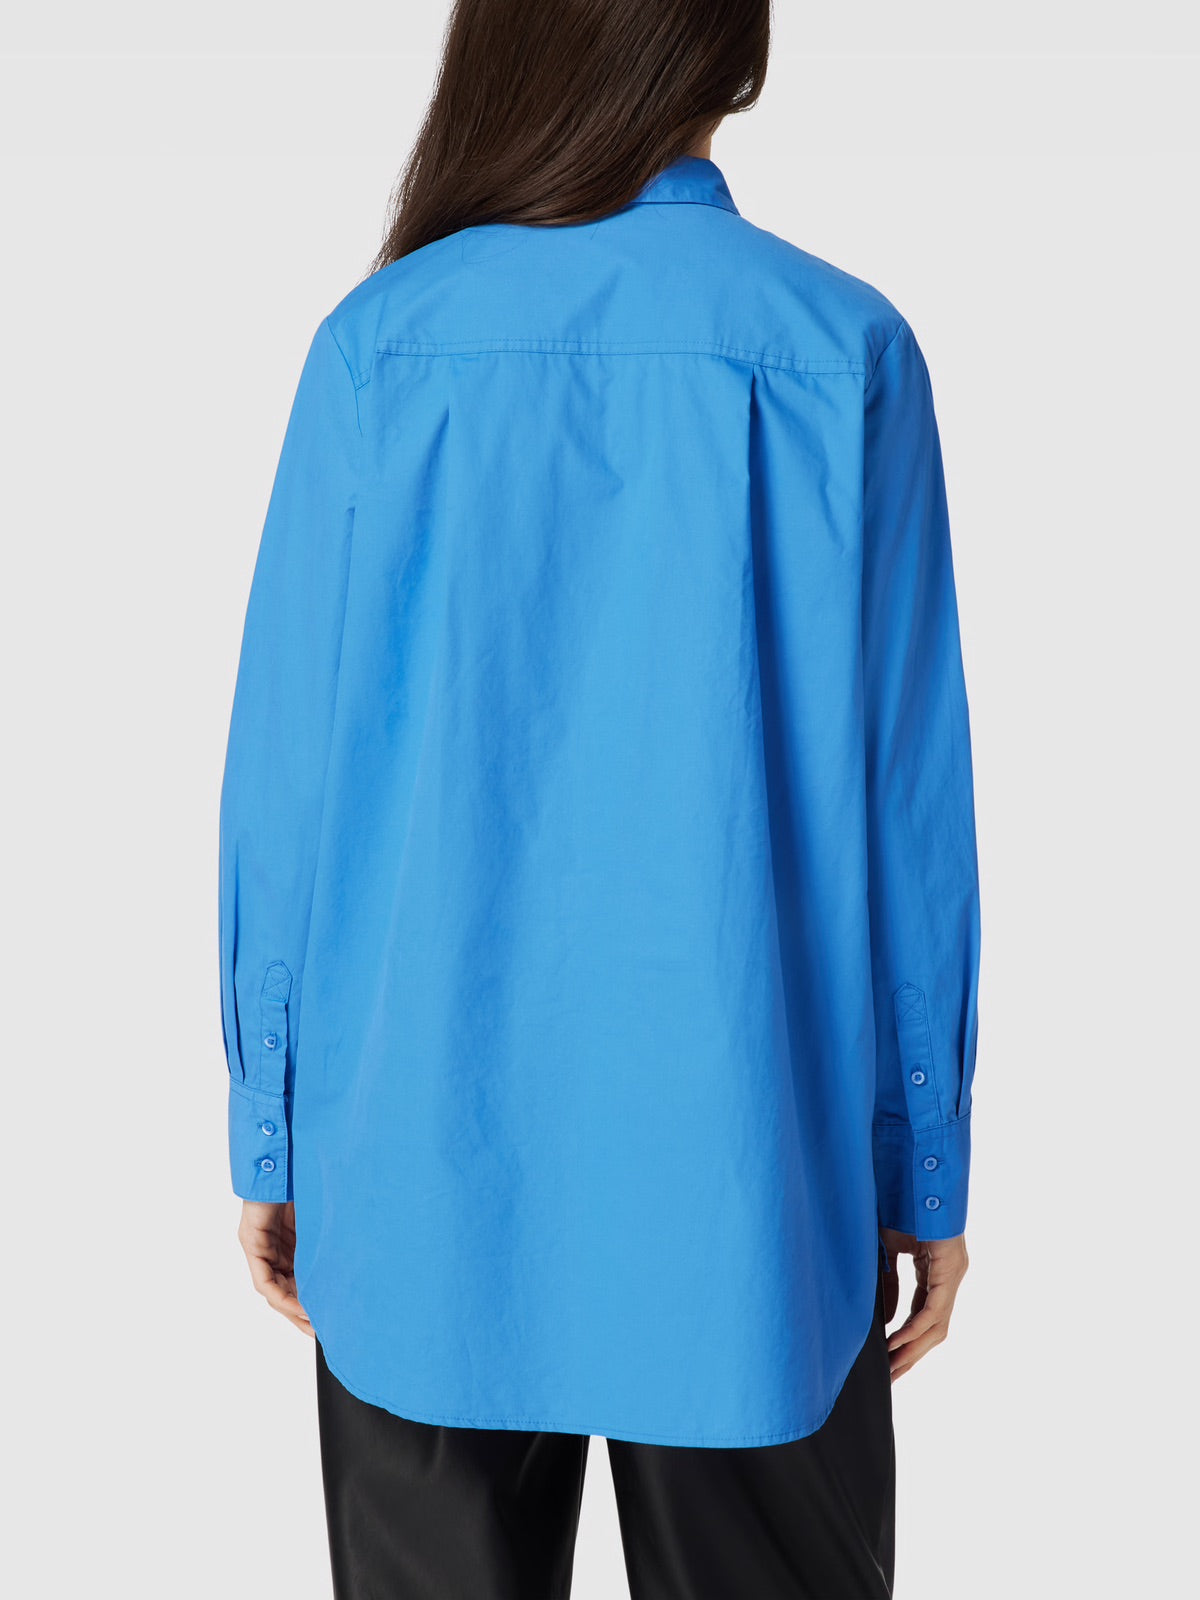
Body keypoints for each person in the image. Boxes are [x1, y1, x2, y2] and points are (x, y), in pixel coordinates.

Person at [218, 1, 981, 1594]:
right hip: (759, 1179)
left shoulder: (381, 345)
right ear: (733, 57)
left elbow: (289, 777)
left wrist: (274, 1122)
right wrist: (923, 1158)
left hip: (417, 1171)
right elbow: (910, 806)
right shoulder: (843, 347)